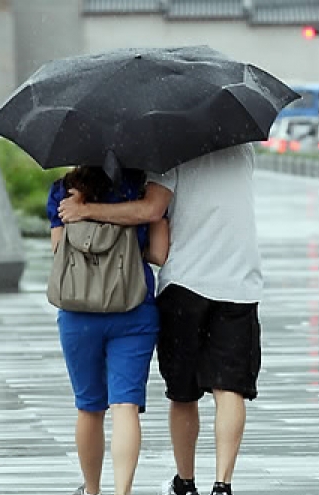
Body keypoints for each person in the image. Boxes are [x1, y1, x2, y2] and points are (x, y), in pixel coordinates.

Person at [57, 143, 262, 495]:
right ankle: (222, 485)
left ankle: (185, 481)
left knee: (183, 393)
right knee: (230, 389)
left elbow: (152, 210)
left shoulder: (170, 153)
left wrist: (87, 211)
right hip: (239, 280)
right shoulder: (242, 148)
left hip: (184, 281)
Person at [47, 166, 169, 495]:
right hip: (133, 309)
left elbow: (59, 251)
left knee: (89, 406)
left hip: (78, 313)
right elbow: (159, 253)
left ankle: (92, 490)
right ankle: (122, 491)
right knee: (125, 406)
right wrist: (128, 254)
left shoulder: (64, 191)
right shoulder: (143, 189)